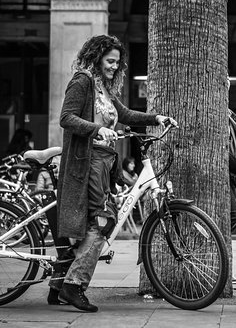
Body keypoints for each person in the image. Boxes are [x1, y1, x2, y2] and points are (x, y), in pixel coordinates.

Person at [52, 34, 177, 312]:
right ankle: (74, 285)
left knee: (91, 225)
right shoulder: (82, 81)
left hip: (105, 163)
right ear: (96, 57)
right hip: (89, 163)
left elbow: (125, 114)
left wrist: (156, 118)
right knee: (104, 221)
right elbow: (66, 118)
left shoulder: (104, 89)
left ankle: (59, 283)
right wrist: (98, 129)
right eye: (109, 61)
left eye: (117, 63)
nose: (113, 66)